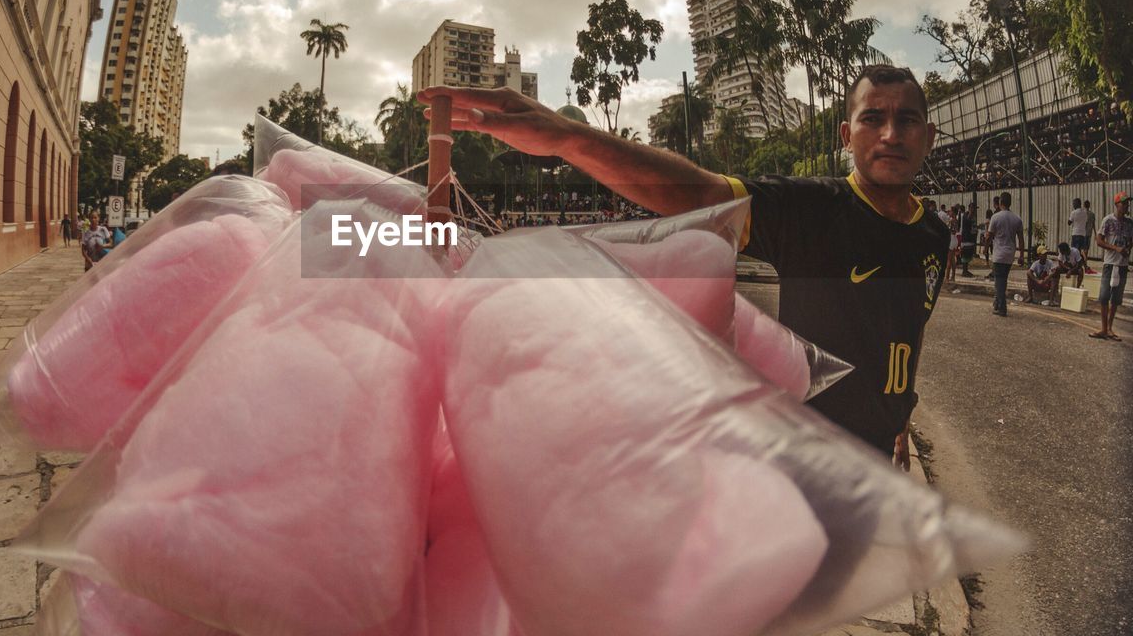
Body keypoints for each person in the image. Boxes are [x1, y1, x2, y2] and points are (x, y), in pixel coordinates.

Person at [422, 63, 949, 471]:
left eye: (907, 120)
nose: (890, 134)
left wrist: (902, 412)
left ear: (926, 136)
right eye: (872, 118)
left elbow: (907, 329)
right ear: (846, 135)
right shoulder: (811, 210)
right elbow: (700, 191)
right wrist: (567, 138)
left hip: (877, 460)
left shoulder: (935, 235)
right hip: (800, 463)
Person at [1090, 191, 1132, 341]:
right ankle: (1103, 328)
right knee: (1104, 296)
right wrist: (1115, 248)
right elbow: (1099, 241)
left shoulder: (1129, 223)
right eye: (1124, 203)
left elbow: (1130, 240)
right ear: (1116, 204)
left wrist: (1127, 250)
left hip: (1122, 265)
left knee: (1116, 298)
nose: (1127, 206)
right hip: (1110, 263)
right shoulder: (1108, 220)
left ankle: (1109, 327)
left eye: (1128, 203)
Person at [986, 191, 1025, 316]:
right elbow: (1021, 239)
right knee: (1002, 280)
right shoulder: (1017, 218)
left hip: (999, 253)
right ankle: (997, 303)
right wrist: (1022, 255)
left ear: (1000, 202)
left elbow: (989, 236)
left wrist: (985, 248)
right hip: (1010, 253)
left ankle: (1002, 307)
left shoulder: (995, 217)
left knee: (999, 281)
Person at [959, 203, 976, 277]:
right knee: (965, 254)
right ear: (969, 208)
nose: (974, 210)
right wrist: (970, 212)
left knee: (968, 254)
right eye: (972, 208)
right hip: (966, 238)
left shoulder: (973, 216)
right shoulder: (966, 215)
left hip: (970, 238)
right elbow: (967, 220)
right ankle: (964, 271)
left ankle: (966, 270)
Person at [1082, 199, 1097, 273]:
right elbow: (1093, 225)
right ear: (1089, 205)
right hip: (1089, 234)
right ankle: (1085, 263)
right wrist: (1095, 233)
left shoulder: (1082, 214)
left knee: (1082, 250)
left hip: (1083, 233)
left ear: (1084, 205)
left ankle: (1084, 264)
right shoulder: (1092, 214)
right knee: (1086, 250)